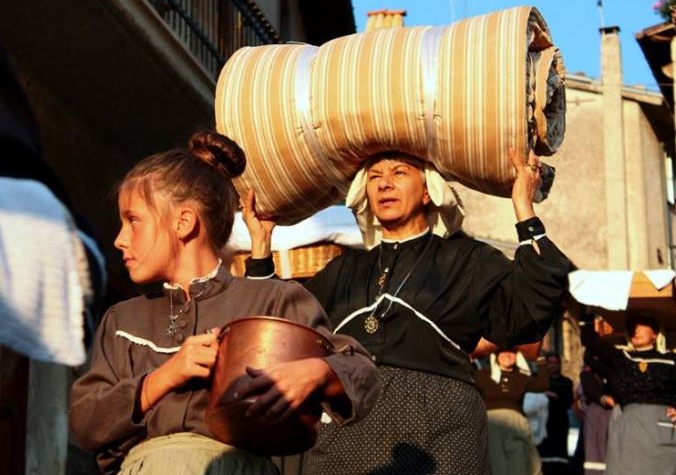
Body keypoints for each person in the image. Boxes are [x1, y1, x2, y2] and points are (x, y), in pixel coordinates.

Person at [69, 131, 380, 475]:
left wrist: (317, 372)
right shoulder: (123, 320)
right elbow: (85, 422)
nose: (119, 239)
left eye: (133, 221)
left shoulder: (271, 300)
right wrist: (165, 377)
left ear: (183, 222)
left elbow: (362, 372)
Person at [245, 148, 573, 474]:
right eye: (374, 177)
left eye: (399, 173)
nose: (384, 184)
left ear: (428, 191)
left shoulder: (465, 260)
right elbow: (283, 326)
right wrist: (261, 246)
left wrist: (522, 206)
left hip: (441, 435)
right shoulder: (345, 269)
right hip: (348, 434)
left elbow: (532, 305)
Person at [581, 311, 676, 475]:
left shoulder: (670, 360)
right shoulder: (622, 359)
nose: (636, 330)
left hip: (660, 430)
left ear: (655, 333)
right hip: (628, 431)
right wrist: (591, 317)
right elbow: (591, 349)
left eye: (642, 324)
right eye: (632, 327)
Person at [474, 349, 549, 475]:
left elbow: (542, 385)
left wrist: (539, 359)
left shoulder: (521, 376)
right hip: (492, 423)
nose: (507, 355)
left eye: (512, 352)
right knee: (496, 461)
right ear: (496, 356)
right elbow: (467, 375)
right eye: (503, 352)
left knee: (521, 458)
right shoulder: (483, 375)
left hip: (516, 423)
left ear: (517, 356)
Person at [537, 352, 574, 473]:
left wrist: (556, 396)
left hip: (559, 422)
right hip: (542, 422)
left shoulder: (566, 382)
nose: (553, 366)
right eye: (550, 363)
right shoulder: (537, 381)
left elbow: (568, 401)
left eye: (555, 363)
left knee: (559, 457)